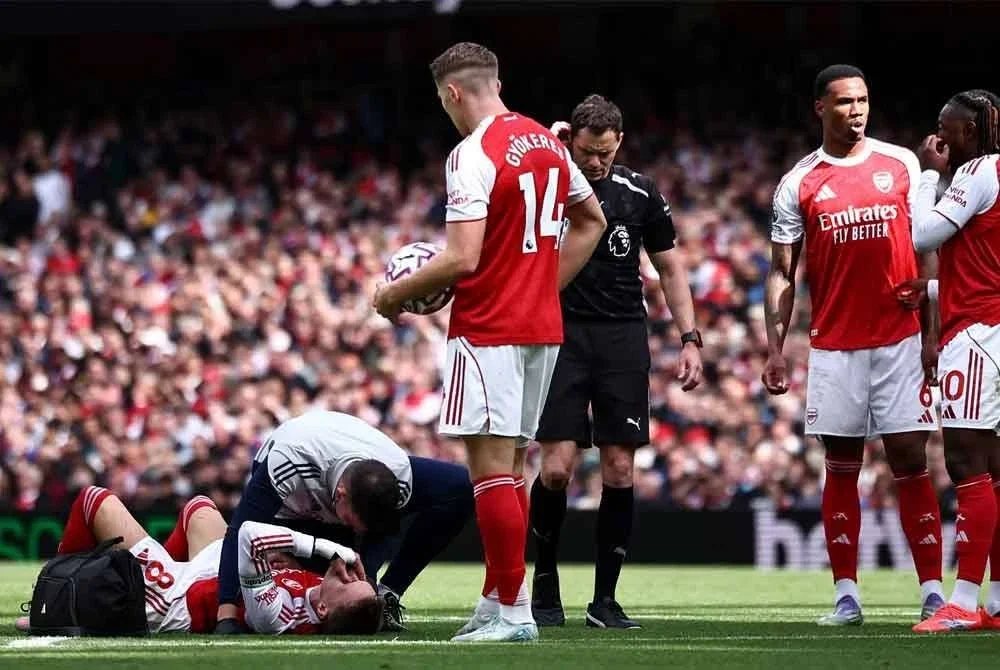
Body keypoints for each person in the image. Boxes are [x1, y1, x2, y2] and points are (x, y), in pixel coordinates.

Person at [374, 42, 607, 642]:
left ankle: (512, 613)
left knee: (489, 472)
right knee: (513, 465)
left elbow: (460, 258)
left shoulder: (470, 154)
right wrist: (542, 287)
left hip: (489, 327)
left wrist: (391, 297)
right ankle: (496, 598)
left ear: (452, 93)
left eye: (442, 102)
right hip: (540, 327)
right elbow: (593, 222)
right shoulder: (548, 143)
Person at [764, 64, 944, 626]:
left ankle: (934, 592)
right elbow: (782, 273)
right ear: (821, 108)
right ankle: (846, 595)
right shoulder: (800, 182)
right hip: (836, 346)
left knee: (911, 461)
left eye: (863, 100)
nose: (857, 111)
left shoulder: (902, 164)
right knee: (840, 465)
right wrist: (775, 347)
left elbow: (928, 248)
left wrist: (933, 332)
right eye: (845, 102)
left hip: (899, 339)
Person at [528, 95, 703, 630]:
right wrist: (552, 149)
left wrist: (690, 338)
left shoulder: (640, 192)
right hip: (558, 335)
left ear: (619, 143)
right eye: (586, 151)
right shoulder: (550, 181)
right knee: (556, 468)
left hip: (622, 338)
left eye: (604, 152)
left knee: (620, 468)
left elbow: (671, 270)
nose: (596, 162)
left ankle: (605, 600)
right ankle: (544, 583)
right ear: (572, 140)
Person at [215, 409, 474, 634]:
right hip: (295, 512)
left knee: (461, 488)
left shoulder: (396, 473)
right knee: (324, 591)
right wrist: (225, 614)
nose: (356, 531)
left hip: (351, 478)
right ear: (340, 496)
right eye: (354, 521)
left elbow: (383, 531)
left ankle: (389, 593)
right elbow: (240, 528)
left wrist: (373, 585)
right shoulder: (289, 463)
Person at [901, 89, 1000, 633]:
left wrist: (926, 174)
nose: (939, 137)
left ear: (970, 131)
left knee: (966, 464)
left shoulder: (975, 171)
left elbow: (924, 233)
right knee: (999, 471)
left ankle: (961, 601)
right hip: (992, 324)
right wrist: (935, 292)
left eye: (946, 127)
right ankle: (998, 603)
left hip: (979, 336)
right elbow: (987, 265)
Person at [17, 487, 381, 635]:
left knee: (94, 501)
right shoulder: (321, 597)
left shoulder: (279, 616)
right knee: (199, 509)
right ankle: (148, 561)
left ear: (322, 608)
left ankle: (53, 601)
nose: (350, 574)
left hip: (182, 599)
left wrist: (329, 550)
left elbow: (250, 535)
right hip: (209, 575)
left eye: (349, 584)